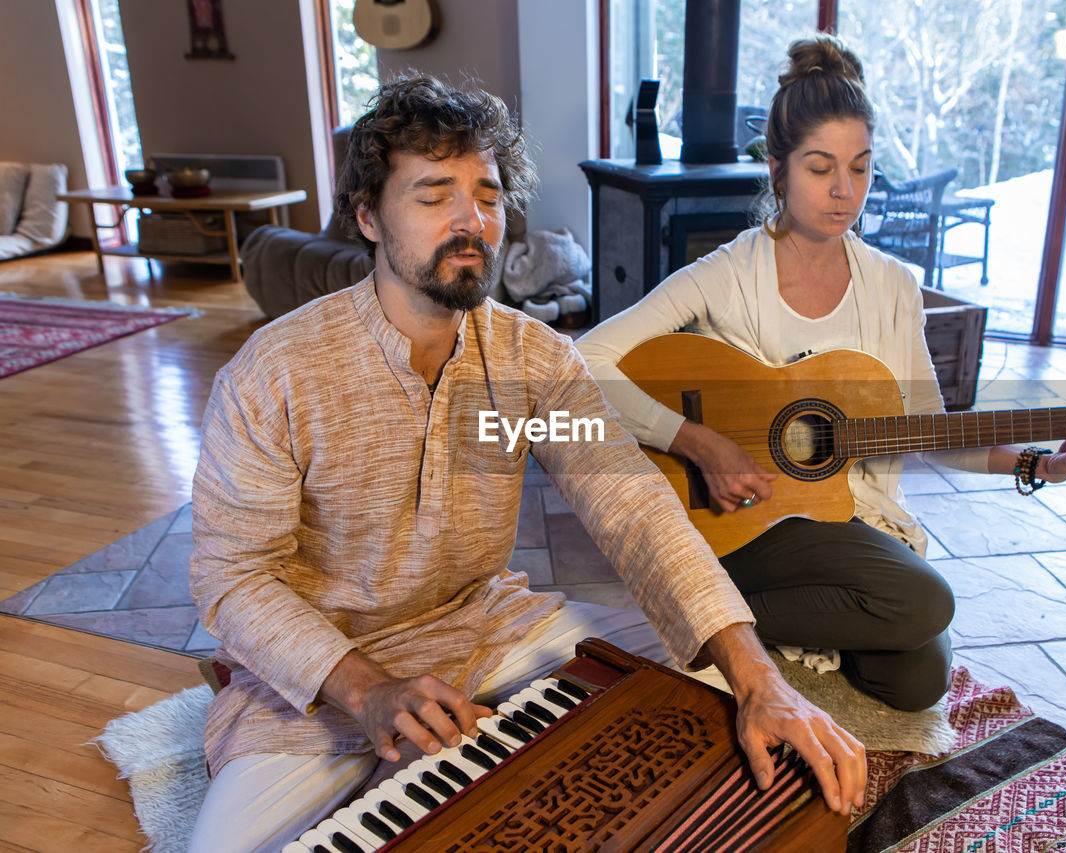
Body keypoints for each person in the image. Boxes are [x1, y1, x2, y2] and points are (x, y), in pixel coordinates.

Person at [185, 75, 865, 853]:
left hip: (485, 626)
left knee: (711, 698)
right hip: (321, 674)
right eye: (435, 194)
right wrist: (366, 689)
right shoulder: (275, 371)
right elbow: (232, 576)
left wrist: (759, 677)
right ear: (369, 216)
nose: (473, 220)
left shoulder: (534, 358)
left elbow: (633, 506)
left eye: (488, 193)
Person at [577, 35, 1066, 715]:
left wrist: (1044, 465)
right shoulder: (726, 275)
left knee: (919, 679)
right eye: (820, 167)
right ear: (776, 168)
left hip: (847, 517)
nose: (844, 191)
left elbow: (932, 432)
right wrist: (696, 440)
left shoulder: (893, 287)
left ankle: (723, 616)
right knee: (926, 600)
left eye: (860, 168)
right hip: (747, 520)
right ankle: (704, 597)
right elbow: (584, 361)